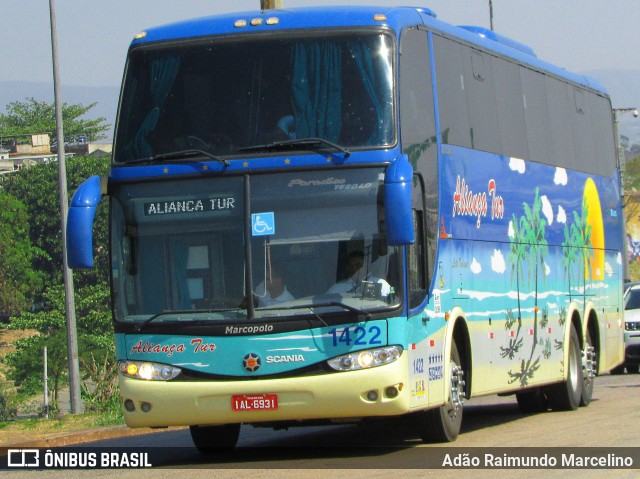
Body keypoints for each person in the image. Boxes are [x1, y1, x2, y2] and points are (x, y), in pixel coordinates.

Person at [327, 251, 391, 298]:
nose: (354, 268)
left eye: (358, 265)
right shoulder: (336, 288)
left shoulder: (381, 284)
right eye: (351, 265)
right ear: (347, 268)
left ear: (367, 265)